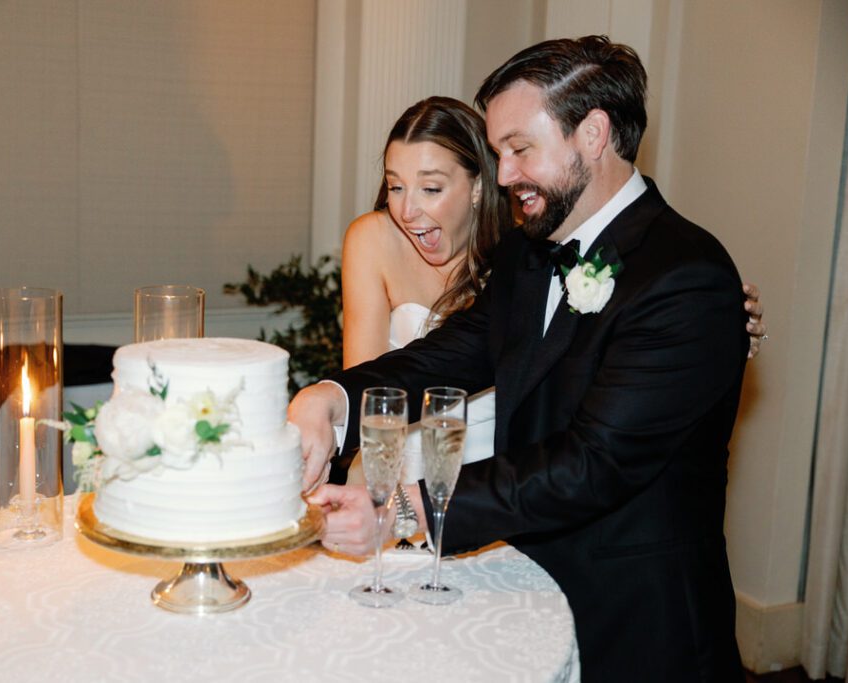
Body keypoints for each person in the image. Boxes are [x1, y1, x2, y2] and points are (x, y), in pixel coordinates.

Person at [291, 36, 748, 681]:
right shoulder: (529, 254)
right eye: (499, 153)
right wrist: (329, 396)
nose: (502, 175)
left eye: (519, 150)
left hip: (638, 620)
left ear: (593, 134)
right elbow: (446, 356)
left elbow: (590, 465)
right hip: (524, 584)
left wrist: (400, 513)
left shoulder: (685, 276)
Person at [342, 98, 766, 489]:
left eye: (431, 188)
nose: (407, 209)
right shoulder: (375, 240)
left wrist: (714, 328)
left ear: (476, 186)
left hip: (512, 483)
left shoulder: (532, 252)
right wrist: (332, 400)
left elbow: (609, 345)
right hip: (395, 475)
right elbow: (377, 395)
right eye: (396, 186)